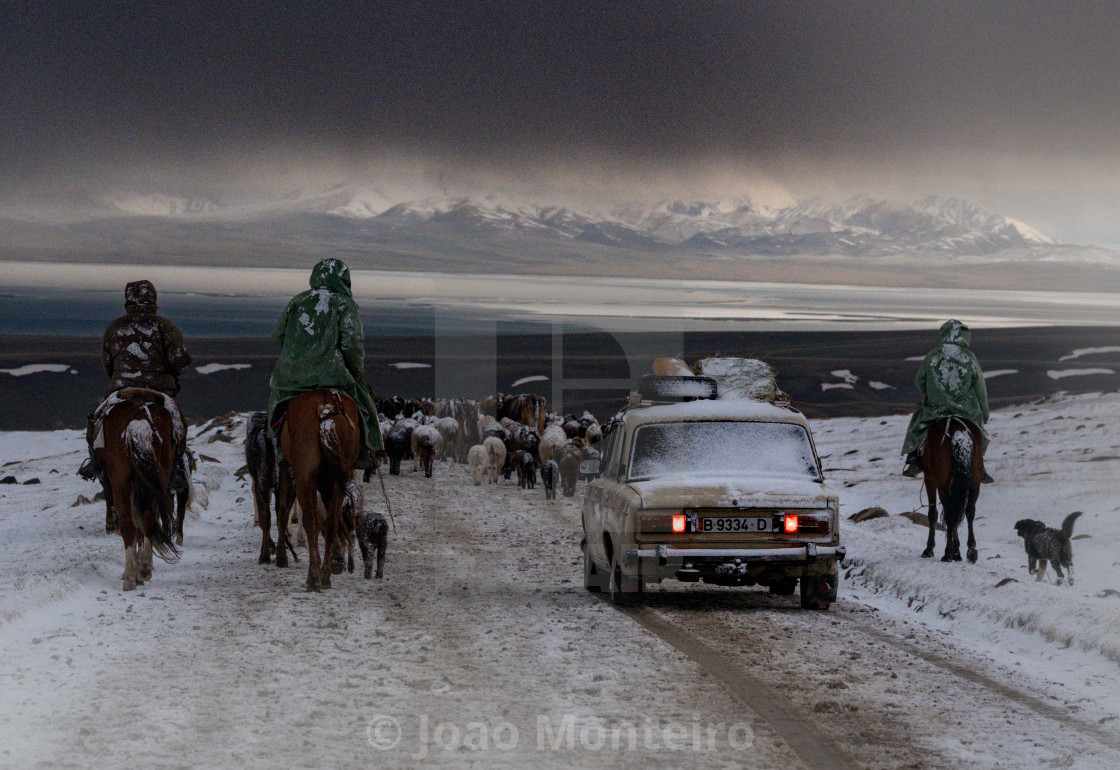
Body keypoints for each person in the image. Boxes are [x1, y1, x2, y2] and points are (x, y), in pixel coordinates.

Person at [78, 280, 193, 491]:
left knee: (96, 420)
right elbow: (181, 362)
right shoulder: (166, 328)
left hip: (122, 389)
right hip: (159, 391)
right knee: (178, 426)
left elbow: (108, 364)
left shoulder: (114, 328)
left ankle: (95, 461)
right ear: (154, 300)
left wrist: (121, 378)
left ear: (127, 301)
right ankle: (175, 469)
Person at [267, 258, 382, 468]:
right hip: (333, 376)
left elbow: (279, 336)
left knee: (276, 404)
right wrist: (355, 373)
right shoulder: (344, 304)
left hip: (292, 378)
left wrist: (296, 355)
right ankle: (366, 450)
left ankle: (276, 447)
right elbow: (352, 344)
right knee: (366, 407)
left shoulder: (298, 301)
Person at [901, 319, 994, 483]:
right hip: (966, 411)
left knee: (918, 427)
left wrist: (933, 391)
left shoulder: (933, 356)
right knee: (979, 435)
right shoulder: (969, 358)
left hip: (936, 410)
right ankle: (980, 465)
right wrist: (984, 413)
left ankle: (913, 460)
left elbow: (919, 381)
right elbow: (980, 387)